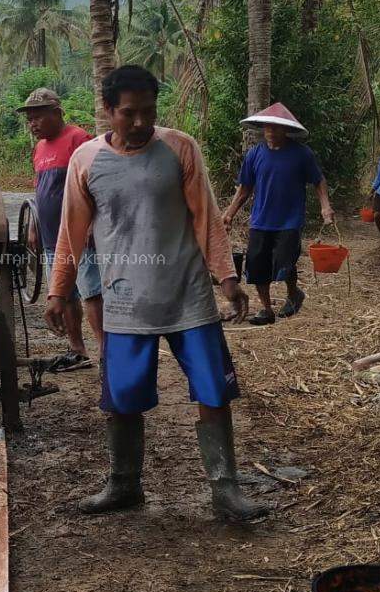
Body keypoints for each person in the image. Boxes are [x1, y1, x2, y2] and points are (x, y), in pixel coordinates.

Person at [45, 65, 268, 522]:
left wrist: (226, 277)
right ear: (108, 111)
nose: (141, 122)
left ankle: (226, 490)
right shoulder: (86, 161)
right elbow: (72, 231)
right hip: (125, 303)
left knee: (213, 391)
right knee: (122, 397)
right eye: (129, 113)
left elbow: (206, 215)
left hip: (188, 296)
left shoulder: (180, 148)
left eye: (149, 111)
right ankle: (124, 484)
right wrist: (58, 290)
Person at [223, 103, 334, 326]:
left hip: (289, 220)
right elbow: (244, 188)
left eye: (276, 128)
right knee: (256, 265)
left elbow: (318, 180)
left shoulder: (302, 154)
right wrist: (229, 213)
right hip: (260, 220)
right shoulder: (254, 155)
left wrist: (325, 206)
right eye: (267, 127)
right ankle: (266, 310)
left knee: (285, 263)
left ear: (286, 130)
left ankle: (293, 293)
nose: (271, 132)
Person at [18, 87, 103, 371]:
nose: (33, 124)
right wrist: (33, 225)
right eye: (29, 119)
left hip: (82, 236)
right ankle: (78, 350)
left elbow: (96, 184)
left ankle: (106, 353)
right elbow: (40, 189)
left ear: (56, 113)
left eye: (38, 117)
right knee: (65, 295)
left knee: (92, 291)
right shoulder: (40, 149)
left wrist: (92, 222)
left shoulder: (79, 139)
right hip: (53, 237)